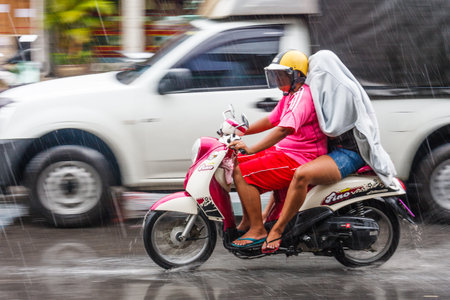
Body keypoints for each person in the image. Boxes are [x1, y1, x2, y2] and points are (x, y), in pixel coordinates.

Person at [261, 50, 397, 253]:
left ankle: (278, 230)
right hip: (333, 150)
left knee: (301, 175)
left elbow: (332, 129)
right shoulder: (319, 90)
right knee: (285, 170)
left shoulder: (343, 90)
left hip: (349, 153)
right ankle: (265, 220)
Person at [229, 50, 327, 247]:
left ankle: (257, 229)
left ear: (297, 75)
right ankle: (248, 221)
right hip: (287, 152)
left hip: (301, 157)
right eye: (275, 75)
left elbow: (283, 129)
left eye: (281, 75)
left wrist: (252, 149)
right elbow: (272, 119)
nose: (277, 79)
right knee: (235, 163)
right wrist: (241, 131)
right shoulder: (290, 95)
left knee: (244, 173)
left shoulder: (302, 96)